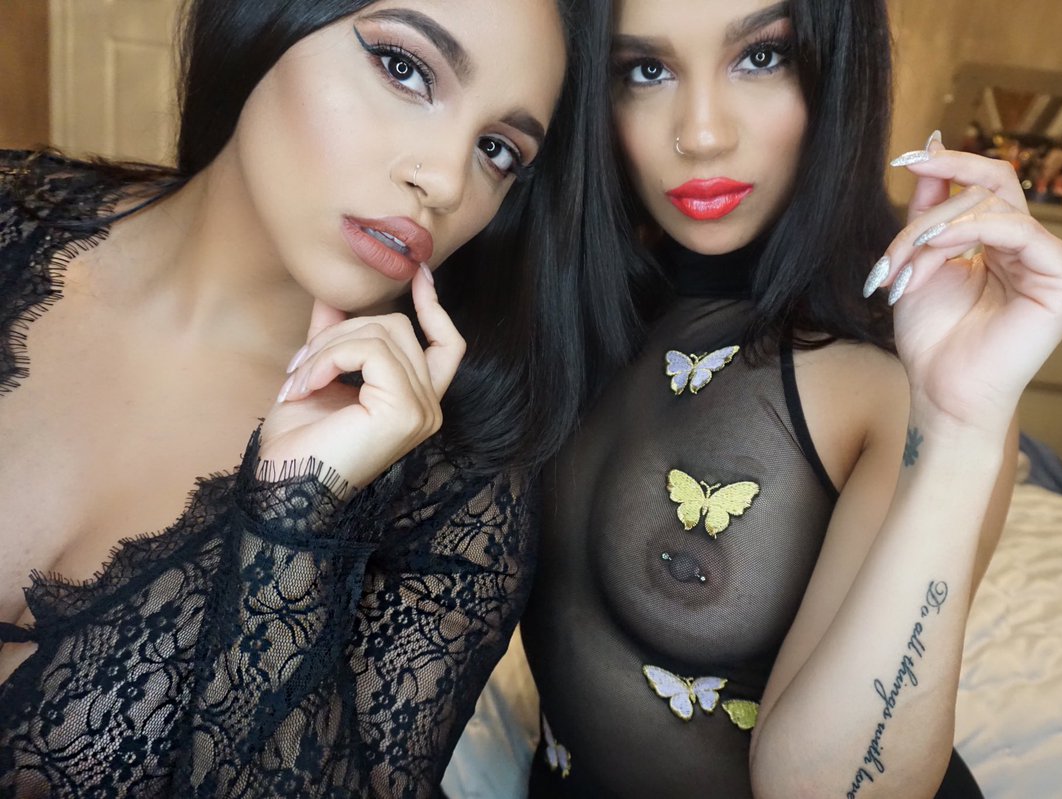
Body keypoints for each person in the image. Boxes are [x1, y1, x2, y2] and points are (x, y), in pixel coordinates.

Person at [0, 0, 618, 795]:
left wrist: (298, 524)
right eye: (405, 69)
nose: (444, 180)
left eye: (497, 149)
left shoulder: (459, 490)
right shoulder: (12, 218)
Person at [520, 0, 1062, 797]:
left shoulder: (895, 374)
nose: (702, 134)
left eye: (762, 57)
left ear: (840, 70)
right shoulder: (565, 306)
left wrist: (963, 428)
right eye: (646, 70)